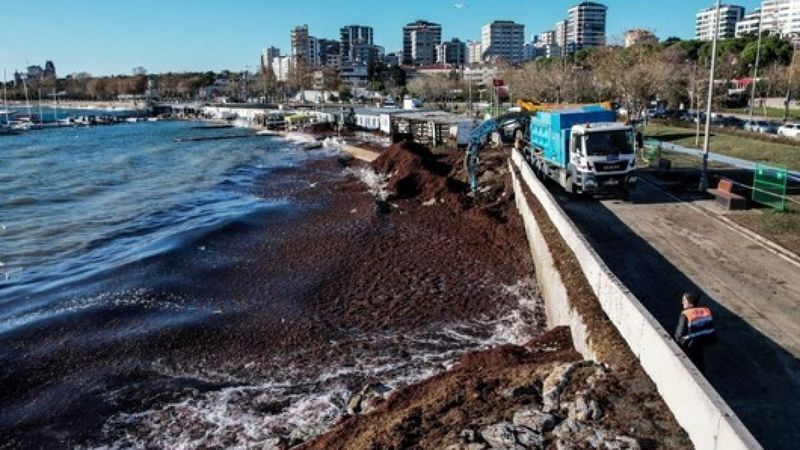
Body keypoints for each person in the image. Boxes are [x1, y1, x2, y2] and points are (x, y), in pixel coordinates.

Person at [674, 292, 716, 374]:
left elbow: (679, 334)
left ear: (689, 302)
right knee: (700, 363)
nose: (682, 302)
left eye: (683, 300)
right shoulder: (705, 311)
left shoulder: (686, 314)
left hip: (690, 345)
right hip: (703, 342)